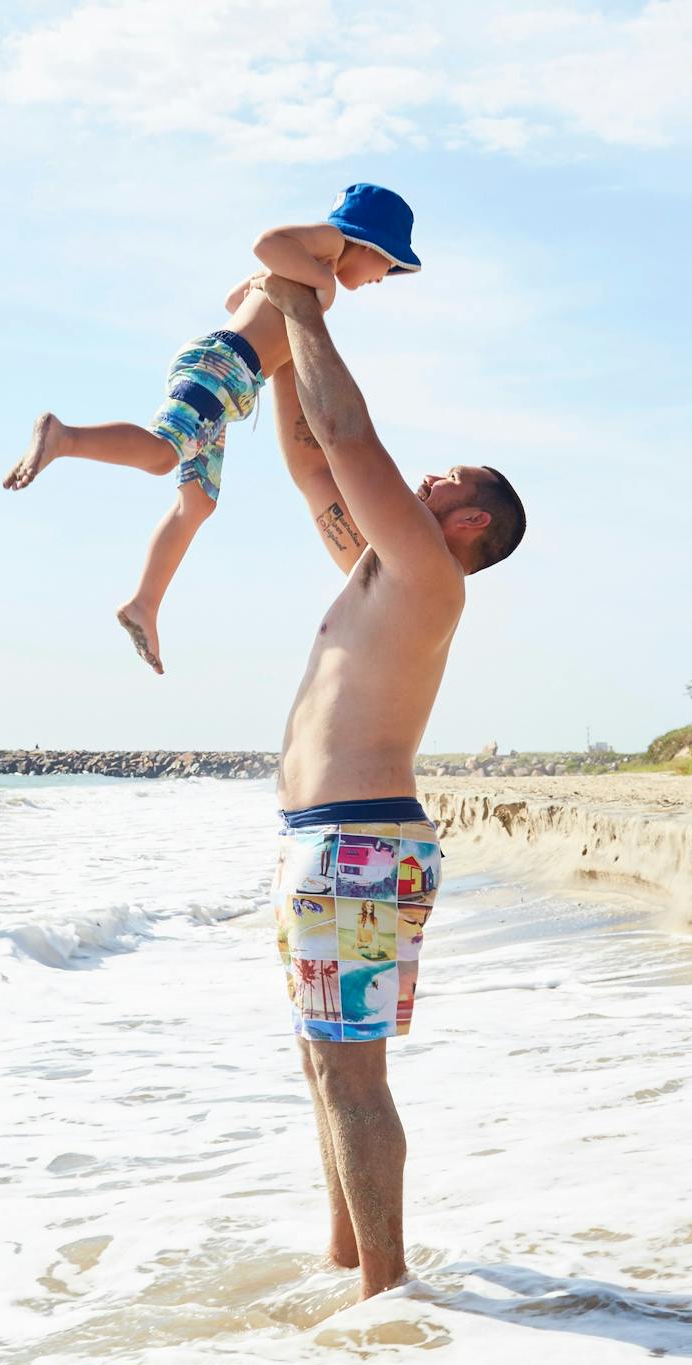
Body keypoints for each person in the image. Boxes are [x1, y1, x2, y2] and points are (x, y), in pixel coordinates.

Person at [259, 272, 527, 1300]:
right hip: (327, 843)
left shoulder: (428, 572)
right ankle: (347, 1266)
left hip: (356, 845)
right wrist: (274, 340)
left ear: (469, 525)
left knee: (348, 1073)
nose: (422, 481)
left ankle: (385, 1292)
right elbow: (305, 451)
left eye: (445, 482)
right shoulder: (382, 562)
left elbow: (345, 430)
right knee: (322, 1064)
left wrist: (304, 305)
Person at [1, 184, 422, 675]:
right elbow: (267, 242)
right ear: (370, 244)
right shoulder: (328, 248)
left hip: (230, 383)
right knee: (162, 454)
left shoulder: (312, 273)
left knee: (197, 502)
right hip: (223, 367)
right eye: (388, 266)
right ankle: (64, 436)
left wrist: (277, 287)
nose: (383, 278)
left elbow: (233, 298)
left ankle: (144, 604)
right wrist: (315, 284)